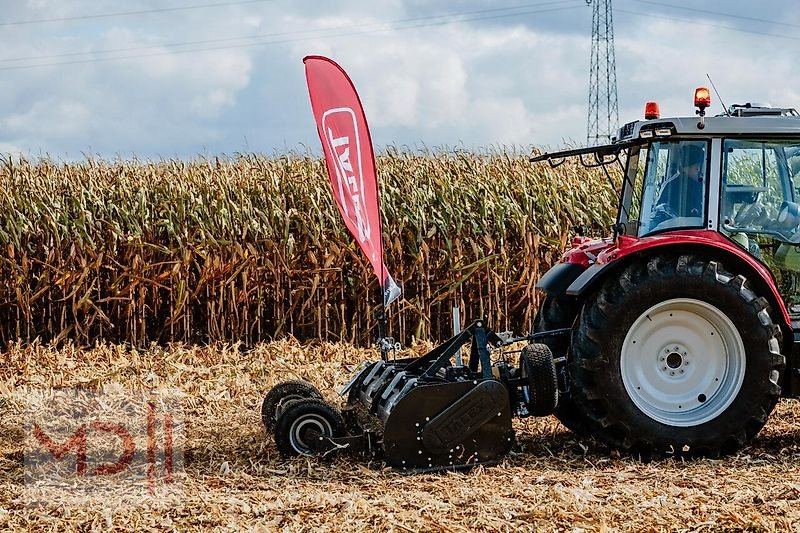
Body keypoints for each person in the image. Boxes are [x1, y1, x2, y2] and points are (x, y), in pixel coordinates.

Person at [656, 144, 705, 217]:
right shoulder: (672, 186)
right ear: (697, 168)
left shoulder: (701, 185)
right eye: (699, 166)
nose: (702, 172)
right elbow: (662, 213)